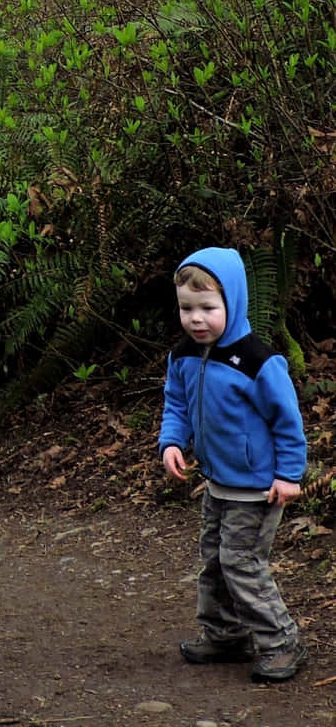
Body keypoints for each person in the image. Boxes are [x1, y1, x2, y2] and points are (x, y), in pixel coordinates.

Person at [159, 246, 307, 684]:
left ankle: (281, 641)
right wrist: (172, 441)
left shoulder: (258, 362)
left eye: (208, 307)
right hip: (218, 481)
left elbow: (287, 421)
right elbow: (177, 402)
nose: (196, 319)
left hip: (258, 487)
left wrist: (289, 475)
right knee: (213, 561)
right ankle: (226, 635)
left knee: (240, 561)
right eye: (187, 308)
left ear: (234, 302)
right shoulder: (184, 355)